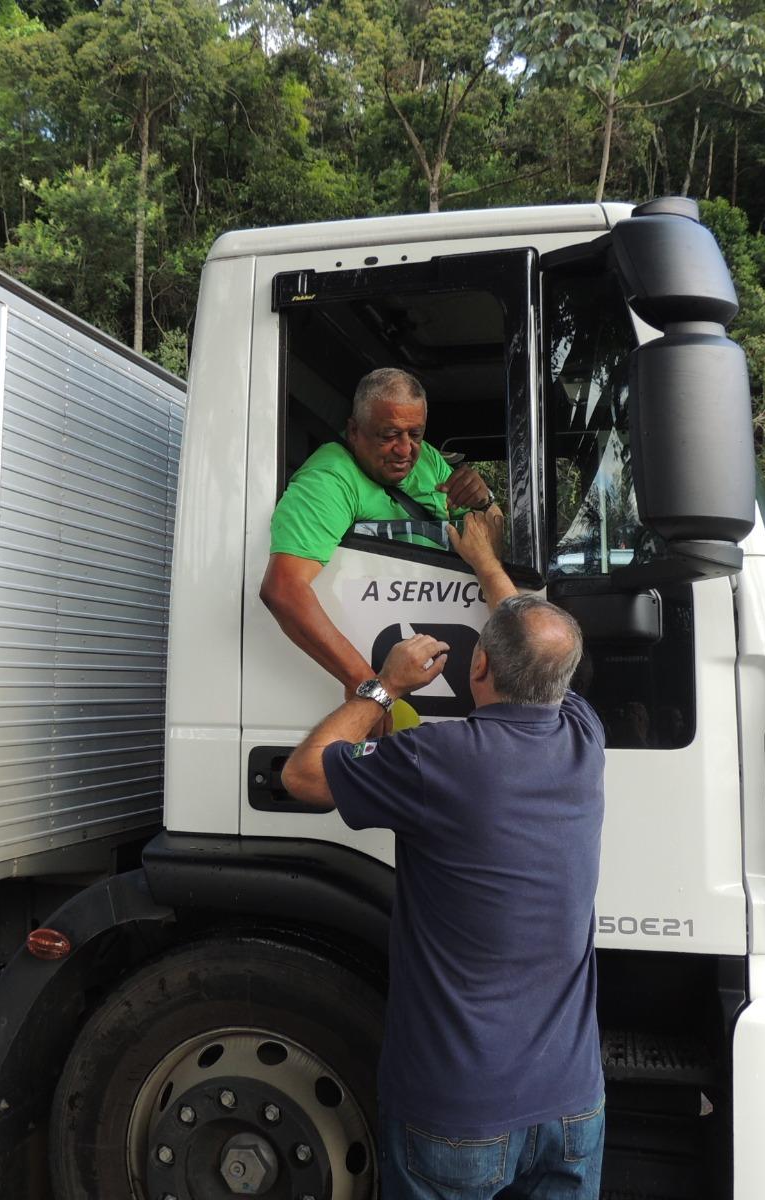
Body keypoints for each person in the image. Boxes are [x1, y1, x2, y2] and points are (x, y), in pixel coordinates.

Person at [280, 507, 607, 1200]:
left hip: (459, 1112)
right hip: (575, 1107)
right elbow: (528, 632)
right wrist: (486, 562)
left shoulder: (438, 756)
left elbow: (303, 775)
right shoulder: (584, 736)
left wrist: (386, 685)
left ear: (477, 663)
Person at [260, 367, 495, 703]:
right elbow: (283, 589)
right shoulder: (328, 481)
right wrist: (368, 686)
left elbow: (489, 542)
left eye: (415, 434)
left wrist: (484, 501)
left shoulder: (427, 459)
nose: (405, 450)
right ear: (354, 431)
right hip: (378, 667)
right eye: (389, 435)